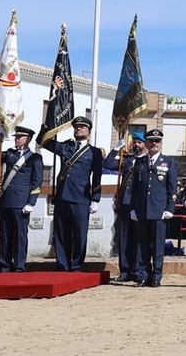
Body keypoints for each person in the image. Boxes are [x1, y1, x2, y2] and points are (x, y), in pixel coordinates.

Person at [43, 116, 105, 271]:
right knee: (61, 233)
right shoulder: (66, 146)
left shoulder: (95, 152)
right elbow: (43, 142)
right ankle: (62, 265)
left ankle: (76, 265)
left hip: (81, 197)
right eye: (76, 127)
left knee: (79, 234)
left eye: (82, 127)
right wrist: (48, 126)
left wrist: (95, 199)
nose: (79, 129)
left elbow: (97, 177)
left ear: (88, 131)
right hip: (62, 196)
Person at [127, 130, 177, 286]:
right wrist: (133, 208)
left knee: (157, 246)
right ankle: (143, 275)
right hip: (142, 209)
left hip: (159, 210)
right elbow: (135, 188)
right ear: (146, 143)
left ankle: (156, 276)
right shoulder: (140, 162)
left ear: (161, 143)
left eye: (157, 141)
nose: (154, 143)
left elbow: (172, 187)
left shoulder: (168, 162)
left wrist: (170, 208)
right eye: (151, 141)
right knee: (142, 245)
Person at [0, 125, 44, 273]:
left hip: (21, 202)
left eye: (20, 137)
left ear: (28, 139)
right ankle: (4, 265)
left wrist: (31, 202)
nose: (17, 139)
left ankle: (19, 266)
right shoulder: (9, 154)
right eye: (16, 136)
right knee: (5, 236)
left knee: (20, 236)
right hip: (6, 200)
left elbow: (37, 181)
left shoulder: (35, 158)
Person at [104, 133, 145, 283]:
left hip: (139, 205)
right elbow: (107, 164)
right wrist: (116, 148)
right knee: (124, 238)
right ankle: (125, 271)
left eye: (140, 142)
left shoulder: (148, 161)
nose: (136, 145)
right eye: (135, 142)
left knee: (139, 239)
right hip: (125, 203)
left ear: (145, 144)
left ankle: (137, 270)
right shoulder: (126, 160)